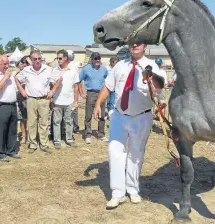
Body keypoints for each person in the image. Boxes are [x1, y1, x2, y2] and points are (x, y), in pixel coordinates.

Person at [93, 43, 165, 209]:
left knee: (136, 154)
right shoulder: (120, 65)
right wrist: (98, 103)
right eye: (132, 42)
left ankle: (132, 189)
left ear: (145, 45)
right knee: (114, 151)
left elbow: (159, 89)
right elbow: (108, 86)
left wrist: (152, 80)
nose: (134, 45)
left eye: (138, 42)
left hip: (141, 117)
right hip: (119, 116)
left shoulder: (152, 66)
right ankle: (117, 193)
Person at [15, 50, 56, 153]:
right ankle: (32, 144)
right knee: (32, 123)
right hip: (31, 99)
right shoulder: (26, 70)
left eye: (39, 59)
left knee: (44, 123)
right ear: (31, 60)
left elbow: (59, 79)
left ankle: (44, 144)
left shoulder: (48, 69)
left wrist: (52, 91)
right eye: (35, 59)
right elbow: (16, 78)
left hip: (44, 99)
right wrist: (22, 90)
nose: (38, 61)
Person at [0, 55, 21, 161]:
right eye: (5, 64)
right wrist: (6, 77)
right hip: (0, 106)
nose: (8, 66)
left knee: (12, 130)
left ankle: (11, 150)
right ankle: (1, 153)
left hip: (12, 105)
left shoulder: (10, 74)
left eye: (8, 63)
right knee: (1, 130)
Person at [50, 49, 79, 149]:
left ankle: (69, 139)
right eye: (57, 58)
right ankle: (57, 140)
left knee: (69, 121)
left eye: (60, 58)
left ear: (66, 58)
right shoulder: (55, 71)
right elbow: (52, 85)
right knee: (56, 122)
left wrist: (75, 101)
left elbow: (76, 87)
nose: (58, 60)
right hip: (57, 101)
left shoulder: (73, 71)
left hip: (69, 101)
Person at [78, 52, 108, 144]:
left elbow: (108, 81)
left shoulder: (104, 69)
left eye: (98, 58)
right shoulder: (86, 69)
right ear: (92, 59)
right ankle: (88, 135)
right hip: (91, 93)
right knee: (88, 115)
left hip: (101, 93)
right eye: (95, 58)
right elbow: (78, 81)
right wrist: (82, 93)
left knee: (102, 115)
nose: (97, 60)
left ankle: (101, 134)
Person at [15, 56, 29, 144]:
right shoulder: (17, 75)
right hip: (21, 98)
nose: (24, 64)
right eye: (23, 63)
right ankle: (24, 136)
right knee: (23, 119)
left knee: (32, 119)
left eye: (26, 62)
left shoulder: (33, 73)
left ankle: (32, 136)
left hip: (31, 98)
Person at [66, 50, 81, 134]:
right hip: (66, 92)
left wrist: (80, 92)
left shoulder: (74, 66)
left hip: (73, 91)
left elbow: (77, 81)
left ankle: (75, 127)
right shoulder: (63, 65)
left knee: (74, 109)